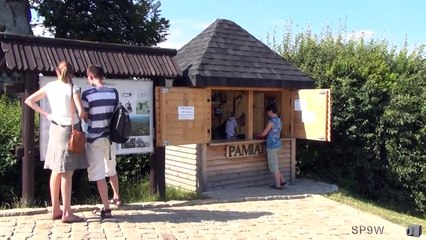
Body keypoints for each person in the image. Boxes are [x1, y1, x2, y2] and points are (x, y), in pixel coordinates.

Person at [25, 61, 88, 223]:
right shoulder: (74, 88)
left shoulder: (50, 86)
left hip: (55, 129)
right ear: (72, 72)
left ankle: (55, 209)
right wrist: (86, 114)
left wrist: (47, 114)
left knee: (55, 170)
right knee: (68, 172)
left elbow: (30, 101)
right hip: (69, 130)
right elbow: (80, 112)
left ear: (56, 71)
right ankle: (67, 212)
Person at [82, 65, 121, 219]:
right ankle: (117, 197)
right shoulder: (114, 92)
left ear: (91, 76)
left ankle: (106, 208)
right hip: (110, 139)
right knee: (111, 169)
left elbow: (85, 116)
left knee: (99, 174)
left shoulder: (87, 94)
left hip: (94, 138)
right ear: (103, 76)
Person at [257, 104, 286, 189]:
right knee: (275, 164)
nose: (267, 114)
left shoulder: (271, 122)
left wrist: (258, 135)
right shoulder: (279, 120)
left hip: (272, 146)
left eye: (268, 112)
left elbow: (264, 133)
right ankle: (282, 180)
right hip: (278, 144)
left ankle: (278, 185)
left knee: (274, 165)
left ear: (270, 111)